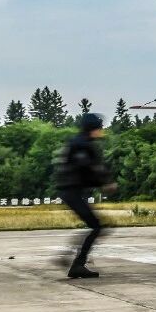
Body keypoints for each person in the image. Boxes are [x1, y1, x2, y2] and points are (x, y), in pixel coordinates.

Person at [55, 113, 114, 279]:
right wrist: (105, 182)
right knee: (97, 227)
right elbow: (88, 167)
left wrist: (101, 181)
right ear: (92, 129)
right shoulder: (82, 145)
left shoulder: (79, 142)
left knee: (95, 226)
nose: (101, 130)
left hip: (72, 192)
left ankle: (72, 258)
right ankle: (77, 264)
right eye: (99, 127)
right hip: (72, 192)